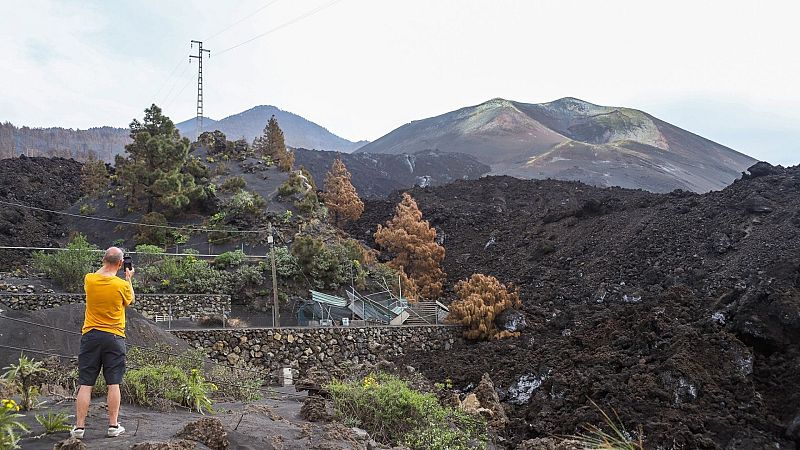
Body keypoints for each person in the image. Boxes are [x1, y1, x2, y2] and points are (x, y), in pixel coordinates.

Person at [71, 247, 134, 439]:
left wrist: (107, 263)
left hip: (90, 336)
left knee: (85, 383)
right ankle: (113, 426)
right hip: (114, 337)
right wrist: (129, 277)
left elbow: (101, 272)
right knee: (113, 383)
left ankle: (79, 428)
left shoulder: (90, 279)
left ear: (103, 260)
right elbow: (130, 300)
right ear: (121, 264)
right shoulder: (121, 285)